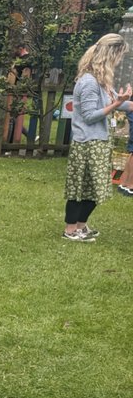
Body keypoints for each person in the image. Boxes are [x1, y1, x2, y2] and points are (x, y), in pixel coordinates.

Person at [64, 32, 132, 241]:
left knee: (95, 189)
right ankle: (70, 230)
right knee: (80, 188)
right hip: (87, 142)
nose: (119, 62)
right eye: (119, 56)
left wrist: (125, 101)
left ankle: (81, 226)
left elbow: (117, 103)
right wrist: (116, 104)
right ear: (111, 54)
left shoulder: (102, 81)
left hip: (100, 141)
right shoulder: (88, 82)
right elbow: (90, 115)